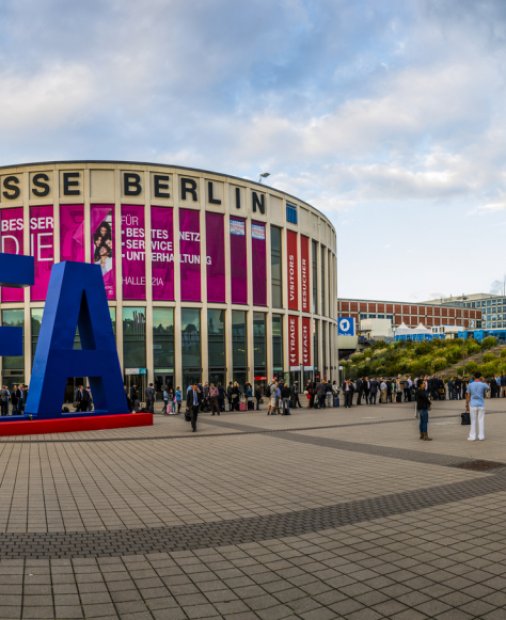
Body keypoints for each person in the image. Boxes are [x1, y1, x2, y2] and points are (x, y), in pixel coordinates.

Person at [465, 372, 489, 441]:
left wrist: (467, 404)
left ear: (474, 376)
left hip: (473, 404)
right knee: (481, 420)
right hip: (481, 404)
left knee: (473, 420)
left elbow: (467, 394)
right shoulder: (483, 384)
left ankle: (472, 436)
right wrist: (484, 380)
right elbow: (488, 387)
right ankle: (481, 436)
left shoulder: (470, 384)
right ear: (480, 377)